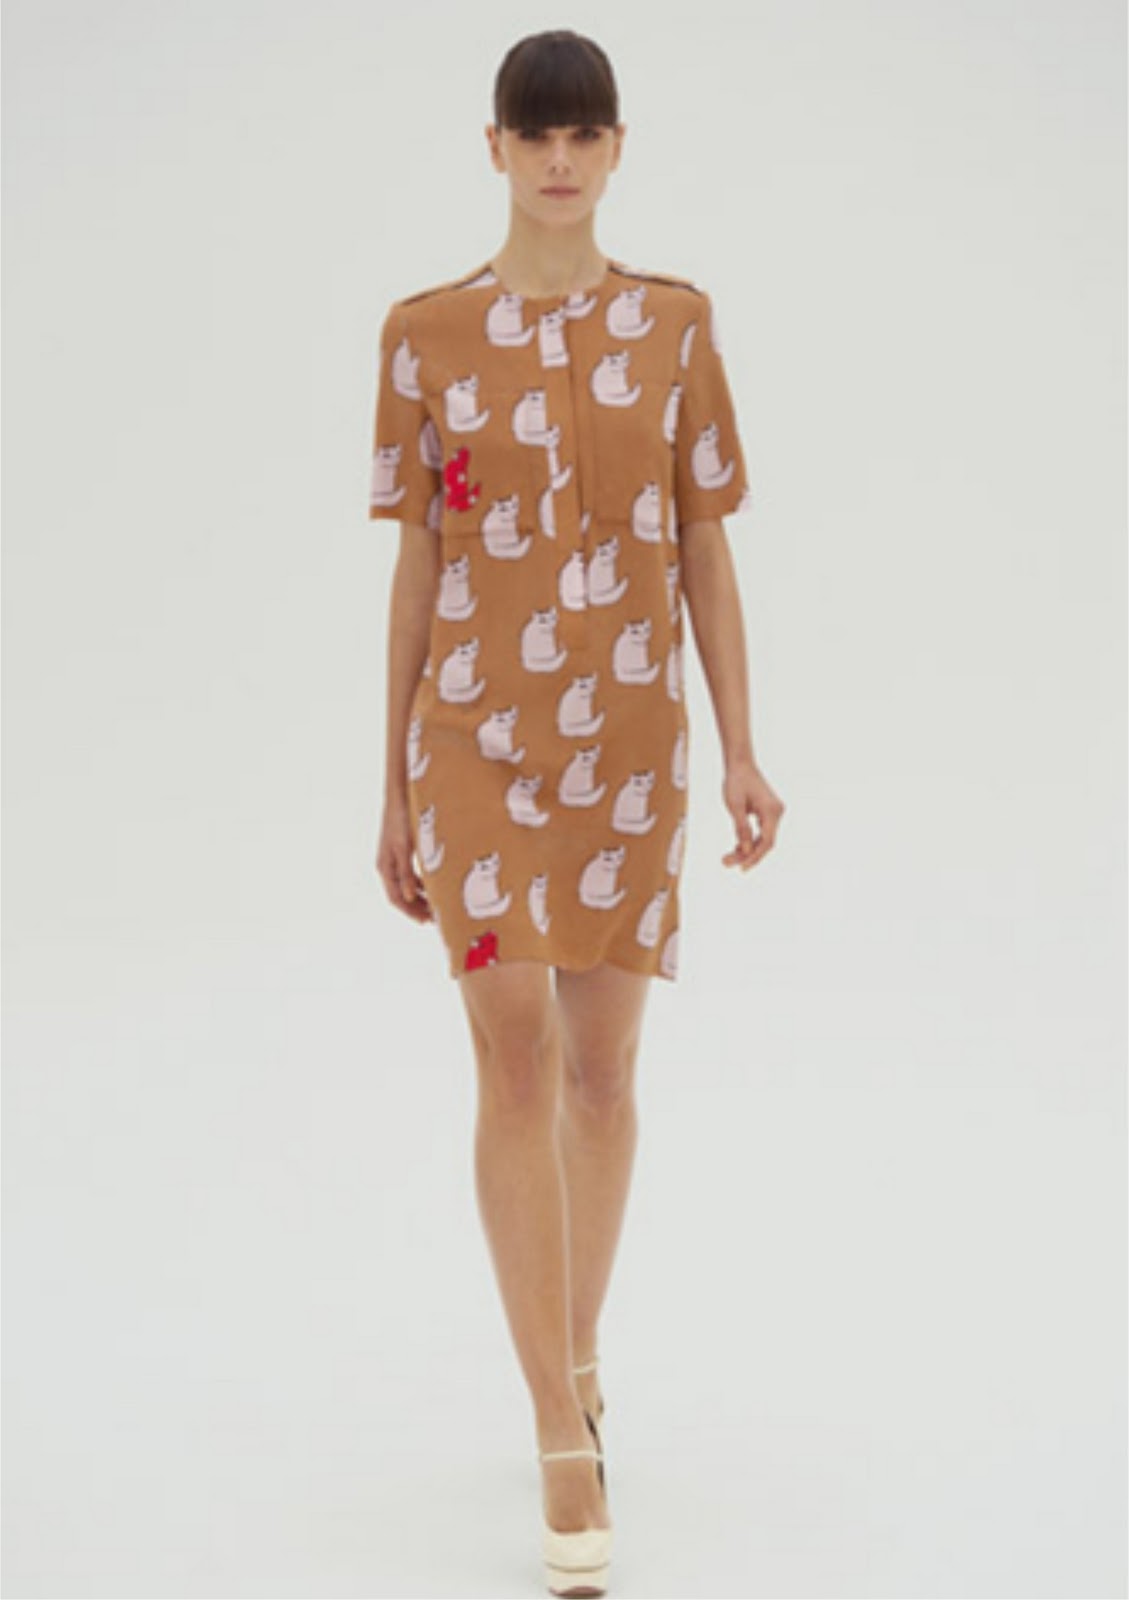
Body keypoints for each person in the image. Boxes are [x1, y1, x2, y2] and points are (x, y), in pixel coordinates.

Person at [369, 28, 784, 1597]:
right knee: (513, 1056)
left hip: (627, 747)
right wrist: (390, 781)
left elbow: (704, 544)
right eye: (533, 136)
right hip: (473, 746)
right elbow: (417, 558)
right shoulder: (423, 335)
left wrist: (739, 749)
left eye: (582, 135)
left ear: (614, 149)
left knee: (603, 1076)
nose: (558, 161)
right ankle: (556, 1422)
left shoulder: (673, 326)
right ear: (494, 148)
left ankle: (577, 1349)